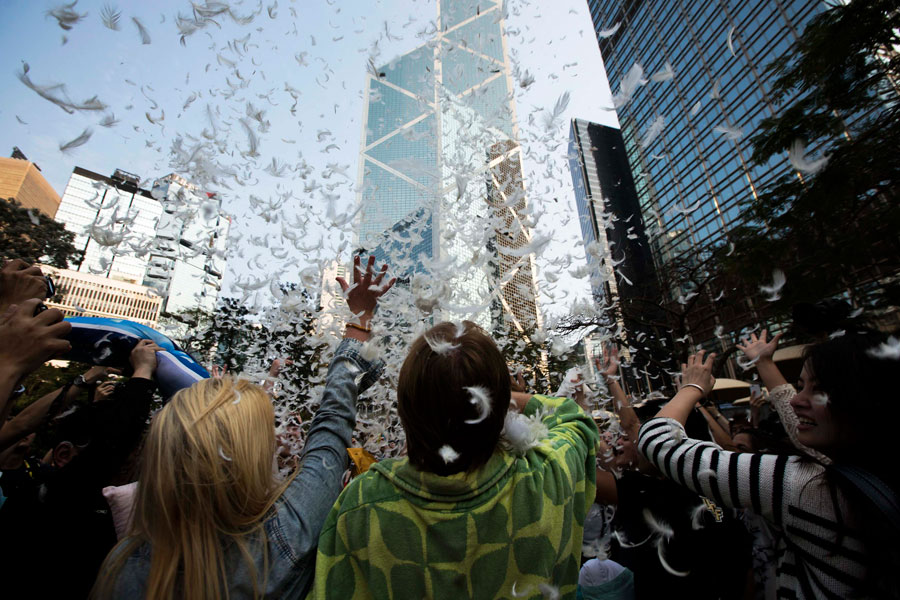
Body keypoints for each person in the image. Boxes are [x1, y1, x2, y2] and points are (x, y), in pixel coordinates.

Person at [92, 255, 395, 600]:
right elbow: (332, 421)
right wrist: (360, 319)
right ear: (250, 460)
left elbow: (331, 421)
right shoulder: (286, 533)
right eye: (269, 432)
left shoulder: (123, 565)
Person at [309, 320, 599, 599]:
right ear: (500, 411)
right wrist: (494, 395)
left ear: (406, 409)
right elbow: (574, 416)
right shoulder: (548, 477)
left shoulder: (362, 504)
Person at [638, 334, 900, 599]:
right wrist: (764, 363)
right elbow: (801, 428)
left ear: (863, 400)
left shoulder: (809, 487)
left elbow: (658, 442)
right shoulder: (873, 470)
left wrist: (692, 387)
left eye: (818, 390)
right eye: (800, 386)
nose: (797, 400)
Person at [0, 339, 162, 599]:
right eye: (123, 457)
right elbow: (114, 439)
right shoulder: (49, 497)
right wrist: (142, 372)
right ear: (64, 455)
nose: (130, 463)